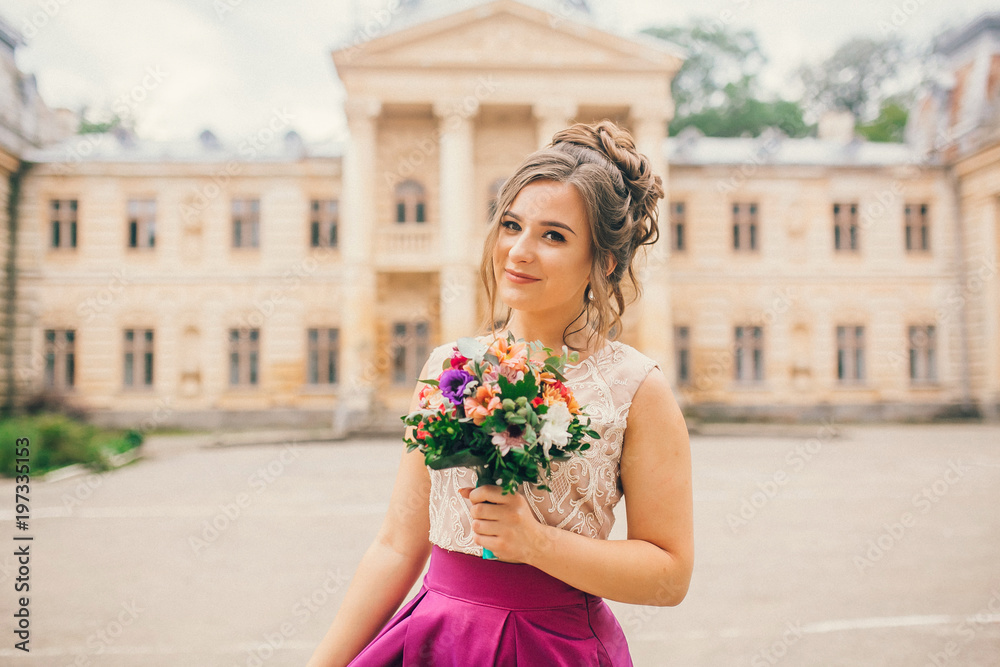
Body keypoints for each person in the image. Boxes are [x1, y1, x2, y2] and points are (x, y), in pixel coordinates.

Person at [307, 119, 693, 666]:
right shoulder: (450, 367)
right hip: (439, 641)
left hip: (552, 648)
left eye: (553, 236)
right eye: (511, 224)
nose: (519, 251)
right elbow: (396, 545)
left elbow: (670, 575)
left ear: (604, 261)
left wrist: (537, 544)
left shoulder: (638, 388)